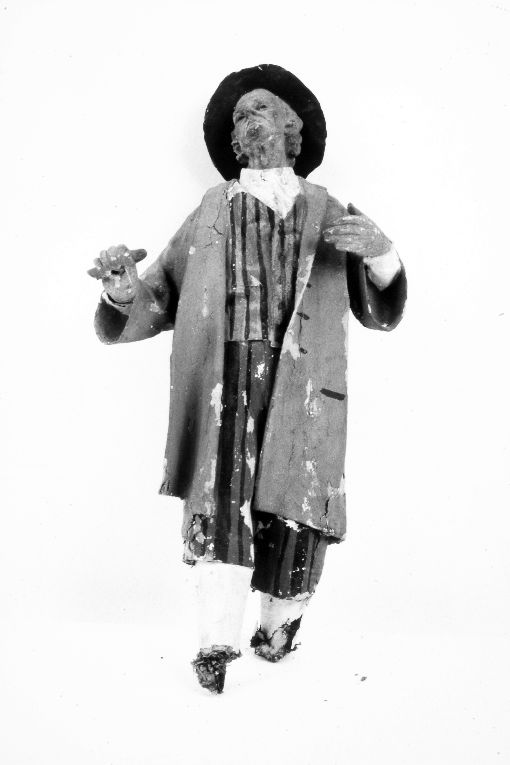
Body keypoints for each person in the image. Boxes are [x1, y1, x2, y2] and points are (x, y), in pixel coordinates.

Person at [90, 64, 407, 693]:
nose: (247, 121)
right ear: (232, 142)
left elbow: (379, 307)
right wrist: (124, 291)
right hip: (226, 375)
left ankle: (278, 632)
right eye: (238, 117)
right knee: (219, 498)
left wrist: (382, 254)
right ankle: (214, 643)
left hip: (305, 384)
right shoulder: (211, 209)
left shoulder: (329, 210)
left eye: (260, 109)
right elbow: (159, 292)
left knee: (298, 501)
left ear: (291, 128)